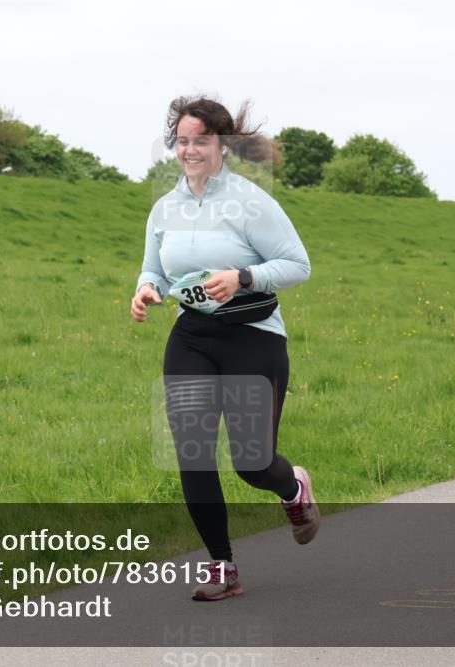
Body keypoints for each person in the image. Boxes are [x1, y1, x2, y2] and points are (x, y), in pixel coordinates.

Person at [130, 96, 319, 601]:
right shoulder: (164, 207)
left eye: (201, 141)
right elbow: (154, 268)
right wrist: (145, 288)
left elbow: (298, 265)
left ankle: (293, 487)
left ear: (223, 145)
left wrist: (243, 277)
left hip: (252, 337)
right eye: (183, 141)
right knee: (192, 453)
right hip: (192, 338)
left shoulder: (252, 203)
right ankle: (221, 565)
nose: (190, 151)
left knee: (252, 462)